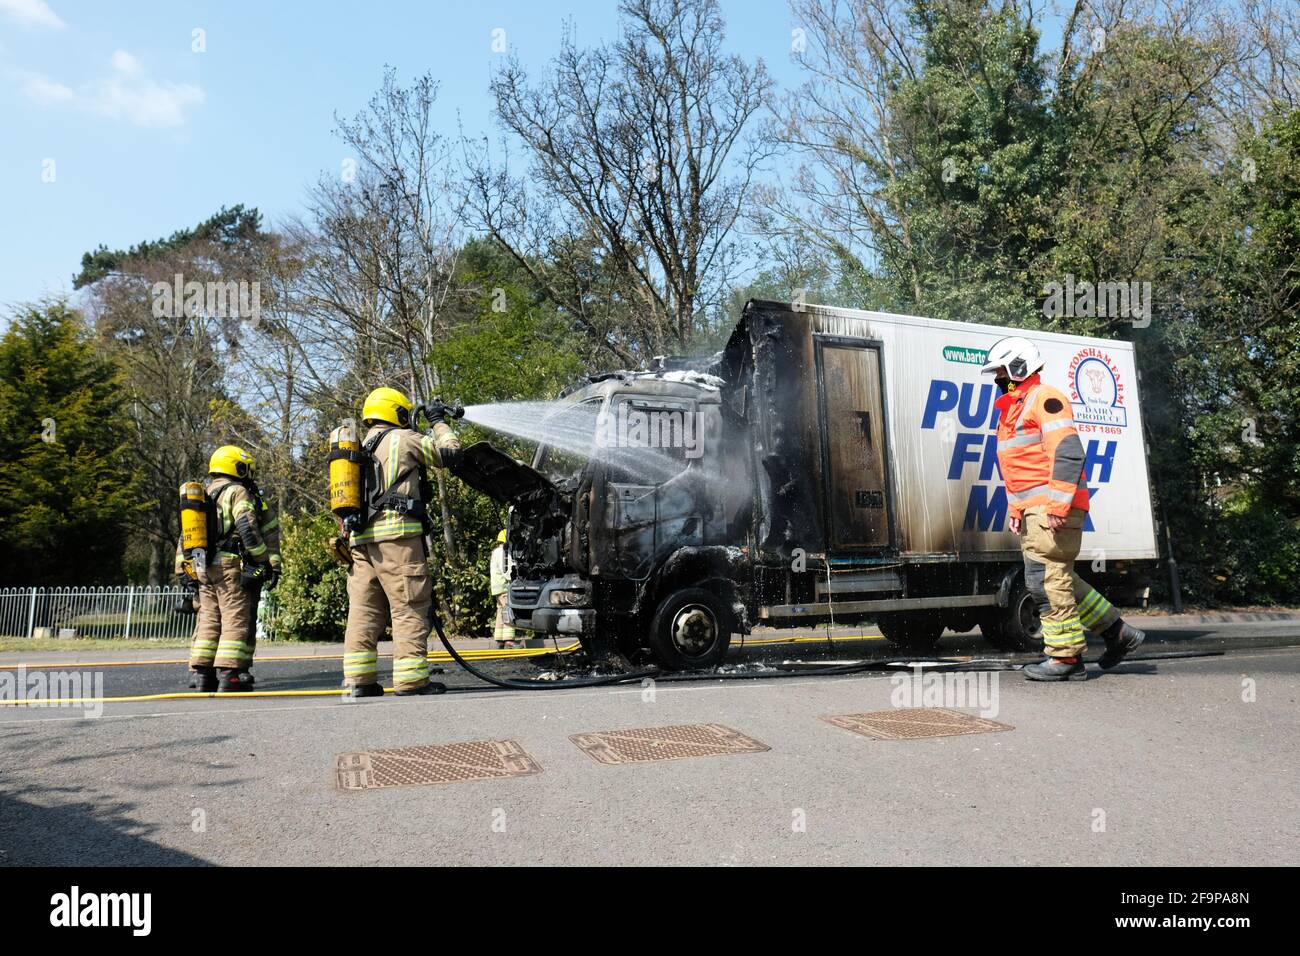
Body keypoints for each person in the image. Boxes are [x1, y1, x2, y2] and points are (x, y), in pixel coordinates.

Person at [981, 336, 1145, 681]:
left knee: (1044, 581)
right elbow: (1019, 468)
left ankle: (1066, 659)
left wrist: (1057, 505)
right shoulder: (1014, 408)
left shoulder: (1045, 398)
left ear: (1018, 366)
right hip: (1035, 510)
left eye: (1001, 372)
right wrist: (1016, 509)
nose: (999, 379)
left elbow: (1068, 453)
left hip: (1051, 510)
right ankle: (1118, 633)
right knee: (1060, 578)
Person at [339, 387, 461, 698]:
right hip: (397, 537)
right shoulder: (403, 439)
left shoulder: (359, 446)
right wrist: (438, 422)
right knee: (409, 605)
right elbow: (449, 454)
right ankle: (411, 679)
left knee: (364, 610)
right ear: (399, 413)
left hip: (361, 540)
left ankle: (359, 681)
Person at [177, 445, 281, 693]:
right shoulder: (237, 491)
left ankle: (202, 674)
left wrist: (184, 572)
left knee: (209, 618)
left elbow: (184, 538)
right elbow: (246, 526)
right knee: (235, 616)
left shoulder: (202, 494)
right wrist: (262, 560)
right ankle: (230, 674)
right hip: (229, 564)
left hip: (203, 566)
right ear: (238, 466)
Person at [489, 529, 520, 649]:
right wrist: (512, 580)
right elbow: (506, 569)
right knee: (509, 610)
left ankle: (499, 639)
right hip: (504, 586)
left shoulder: (495, 551)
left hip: (497, 587)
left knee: (500, 611)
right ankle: (509, 641)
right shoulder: (504, 552)